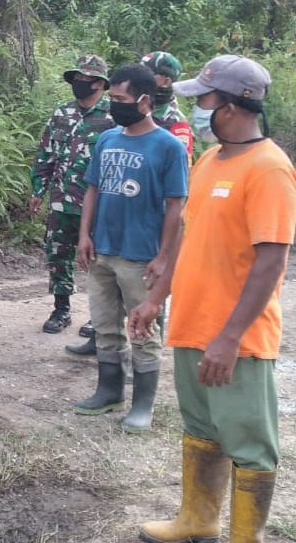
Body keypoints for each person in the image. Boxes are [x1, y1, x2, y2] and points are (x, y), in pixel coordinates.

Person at [129, 55, 296, 543]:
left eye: (202, 99)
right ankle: (198, 520)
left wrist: (230, 337)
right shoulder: (209, 160)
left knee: (249, 443)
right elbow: (189, 237)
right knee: (201, 428)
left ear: (229, 106)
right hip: (192, 325)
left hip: (236, 341)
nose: (195, 109)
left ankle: (246, 537)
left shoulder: (269, 169)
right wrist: (155, 298)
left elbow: (271, 262)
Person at [74, 65, 188, 432]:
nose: (114, 105)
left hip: (141, 256)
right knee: (105, 325)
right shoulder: (108, 139)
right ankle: (109, 391)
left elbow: (176, 208)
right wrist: (84, 235)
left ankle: (142, 405)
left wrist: (163, 256)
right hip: (102, 250)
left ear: (144, 101)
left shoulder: (169, 146)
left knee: (142, 330)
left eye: (120, 99)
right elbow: (92, 189)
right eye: (111, 99)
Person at [30, 54, 114, 342]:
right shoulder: (62, 113)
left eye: (84, 78)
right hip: (61, 199)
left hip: (97, 204)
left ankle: (98, 315)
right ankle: (61, 309)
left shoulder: (113, 118)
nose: (78, 83)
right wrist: (38, 189)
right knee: (57, 254)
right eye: (76, 78)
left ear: (100, 83)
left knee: (99, 261)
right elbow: (46, 153)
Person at [139, 51, 194, 165]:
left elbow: (181, 168)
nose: (140, 79)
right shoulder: (129, 108)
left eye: (147, 74)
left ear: (166, 81)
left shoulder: (177, 123)